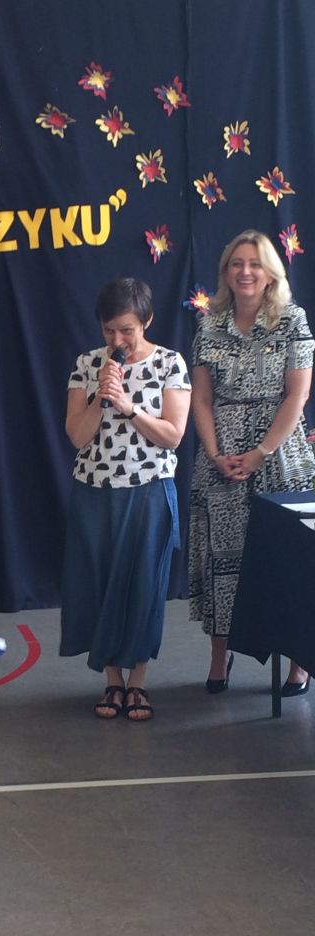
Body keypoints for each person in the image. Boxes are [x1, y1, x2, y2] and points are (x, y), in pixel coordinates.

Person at [188, 230, 315, 695]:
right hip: (220, 459)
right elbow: (201, 398)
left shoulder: (293, 320)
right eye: (236, 263)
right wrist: (215, 453)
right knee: (223, 561)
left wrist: (260, 452)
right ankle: (220, 657)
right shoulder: (209, 325)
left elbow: (297, 396)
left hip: (280, 456)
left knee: (290, 561)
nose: (245, 272)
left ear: (270, 273)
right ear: (226, 272)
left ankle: (299, 662)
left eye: (255, 263)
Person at [60, 278, 191, 720]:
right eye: (109, 330)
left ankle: (138, 683)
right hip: (95, 491)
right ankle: (112, 681)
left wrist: (129, 406)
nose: (117, 340)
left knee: (144, 586)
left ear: (146, 321)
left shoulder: (170, 364)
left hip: (149, 488)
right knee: (99, 583)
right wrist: (102, 396)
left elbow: (172, 436)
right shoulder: (87, 364)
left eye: (127, 330)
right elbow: (77, 436)